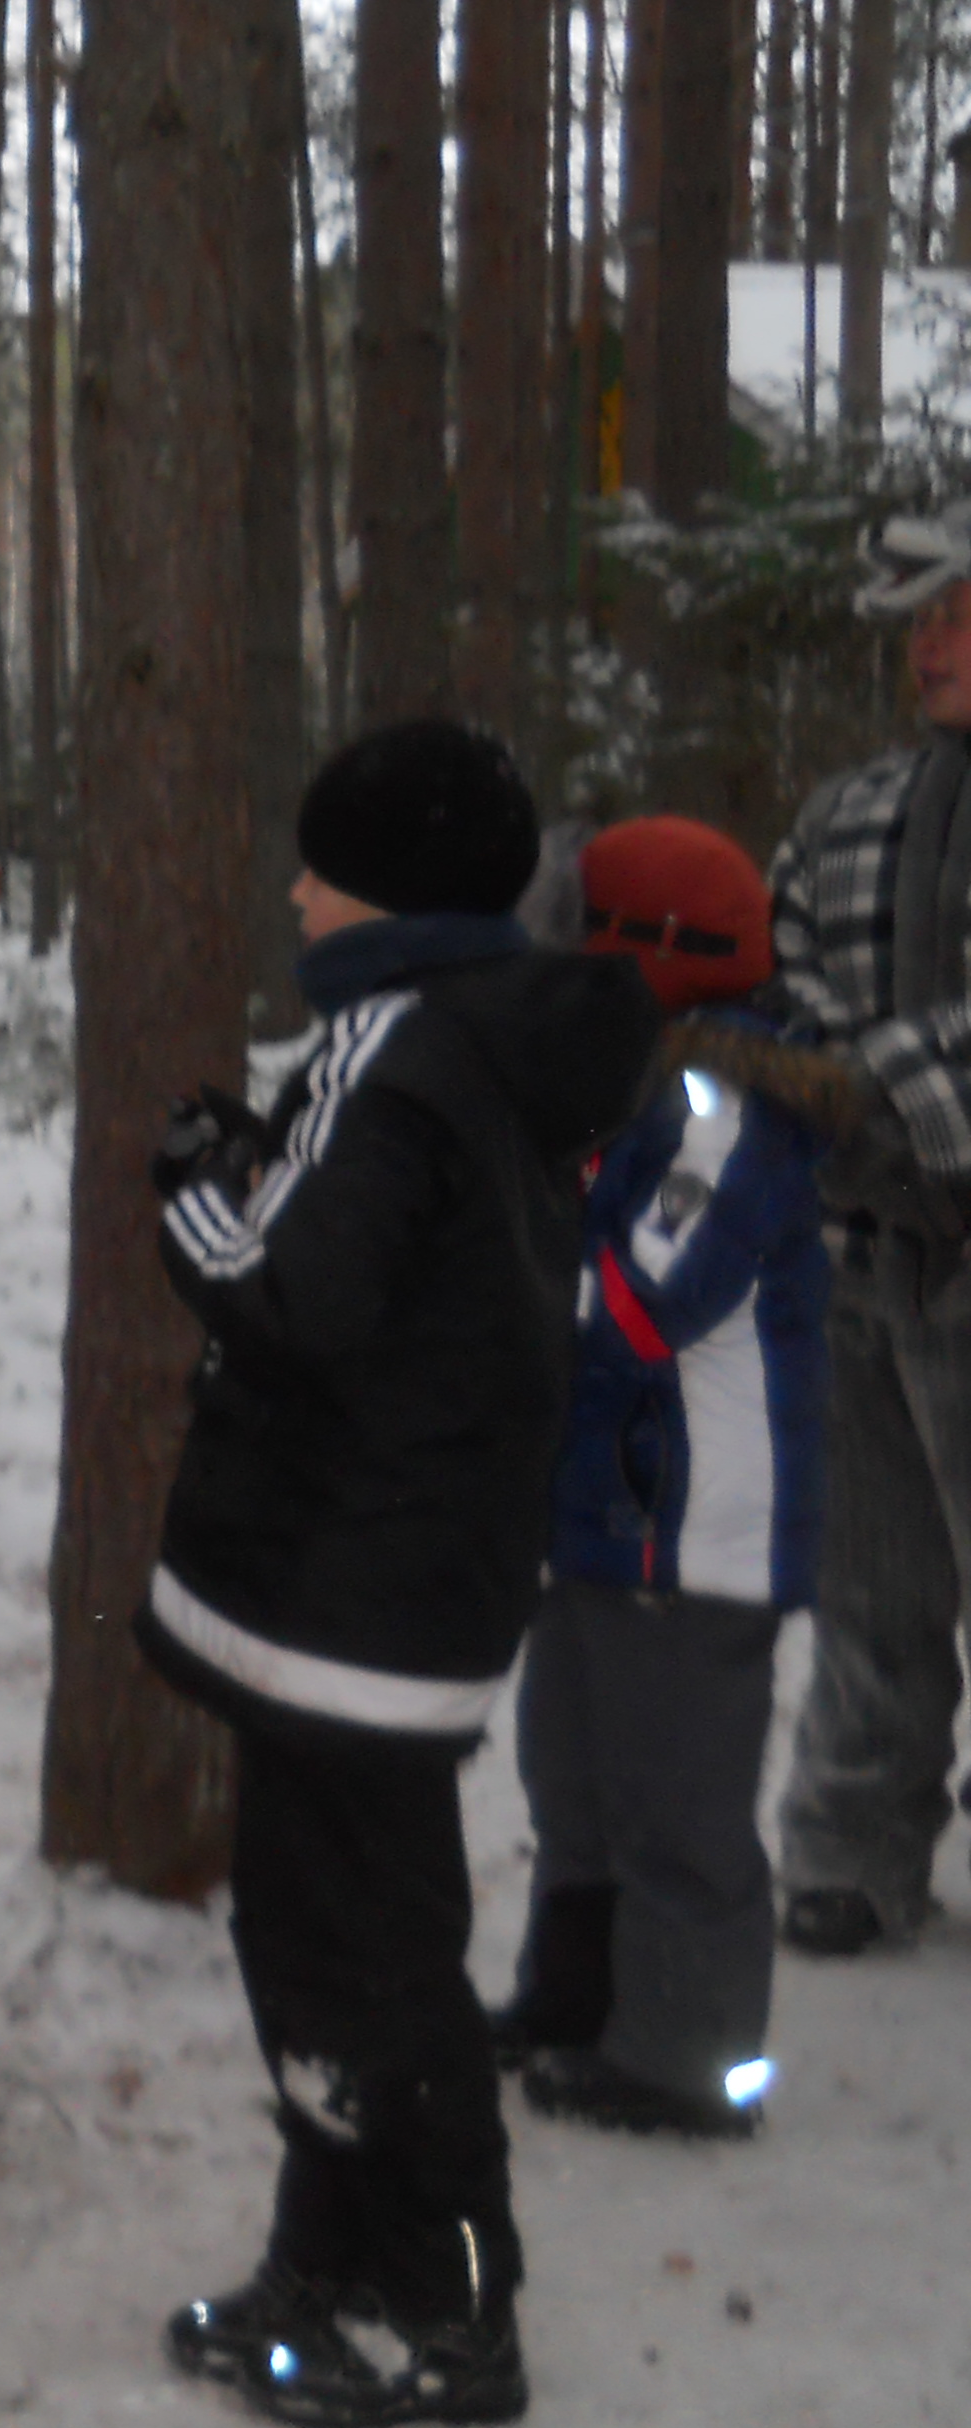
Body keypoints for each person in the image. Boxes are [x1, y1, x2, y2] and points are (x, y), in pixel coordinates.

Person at [137, 720, 659, 2428]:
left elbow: (300, 1297)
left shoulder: (400, 1044)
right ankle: (336, 2254)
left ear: (385, 891)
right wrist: (264, 1170)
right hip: (396, 1580)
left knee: (362, 1968)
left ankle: (451, 2307)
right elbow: (390, 1265)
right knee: (336, 1950)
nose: (295, 892)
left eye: (320, 867)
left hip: (349, 1589)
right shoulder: (480, 1039)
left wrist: (193, 1197)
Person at [492, 817, 843, 2140]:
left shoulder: (724, 1108)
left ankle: (692, 2057)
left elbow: (646, 1301)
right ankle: (579, 1998)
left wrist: (503, 1262)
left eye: (581, 932)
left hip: (696, 1532)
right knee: (573, 1776)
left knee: (678, 1800)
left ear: (649, 949)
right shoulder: (629, 1088)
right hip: (606, 1511)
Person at [766, 501, 971, 1959]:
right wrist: (809, 1087)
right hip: (861, 1260)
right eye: (919, 622)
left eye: (958, 614)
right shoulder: (846, 811)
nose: (929, 645)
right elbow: (781, 975)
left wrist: (873, 1091)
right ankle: (852, 1844)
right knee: (870, 1583)